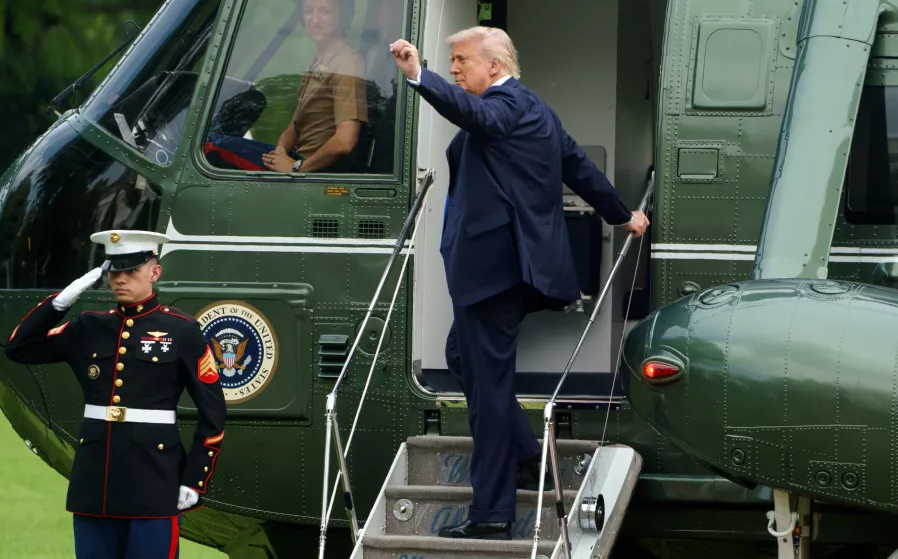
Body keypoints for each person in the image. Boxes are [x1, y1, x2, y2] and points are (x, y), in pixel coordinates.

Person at [388, 28, 649, 540]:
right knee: (463, 358)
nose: (457, 68)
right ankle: (528, 457)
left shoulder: (503, 106)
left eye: (462, 60)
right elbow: (578, 166)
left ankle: (491, 515)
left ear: (493, 65)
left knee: (487, 392)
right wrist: (622, 216)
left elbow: (476, 117)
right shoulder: (536, 110)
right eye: (451, 62)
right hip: (505, 273)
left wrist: (421, 75)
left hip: (490, 275)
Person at [4, 230, 227, 558]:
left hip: (154, 482)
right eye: (114, 272)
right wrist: (61, 301)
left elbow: (213, 414)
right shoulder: (88, 327)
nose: (120, 280)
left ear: (154, 272)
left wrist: (194, 480)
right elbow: (18, 347)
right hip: (95, 484)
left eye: (131, 271)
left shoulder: (182, 331)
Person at [205, 0, 368, 174]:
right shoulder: (316, 63)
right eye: (308, 11)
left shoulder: (347, 65)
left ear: (342, 16)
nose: (314, 20)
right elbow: (294, 127)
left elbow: (344, 141)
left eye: (325, 11)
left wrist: (295, 168)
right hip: (293, 159)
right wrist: (280, 150)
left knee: (210, 146)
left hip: (310, 169)